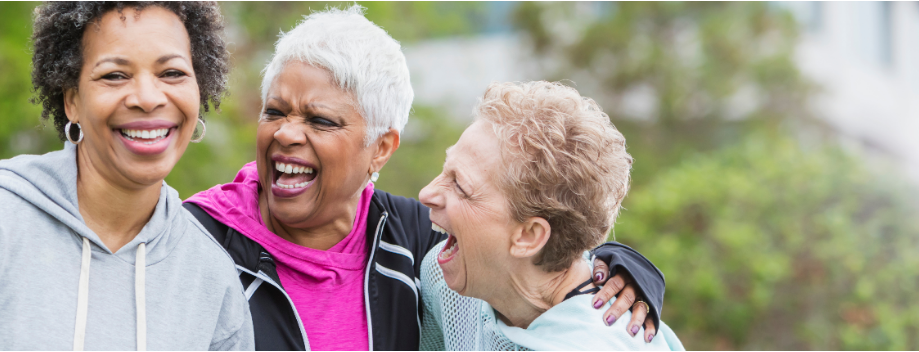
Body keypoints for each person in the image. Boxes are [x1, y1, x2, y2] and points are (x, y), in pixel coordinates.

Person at [183, 6, 665, 351]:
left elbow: (548, 257)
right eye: (275, 111)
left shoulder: (415, 240)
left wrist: (618, 268)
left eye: (321, 120)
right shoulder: (194, 242)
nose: (287, 133)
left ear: (381, 148)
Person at [0, 2, 252, 350]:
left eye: (171, 73)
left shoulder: (211, 280)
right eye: (115, 75)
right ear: (72, 101)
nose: (147, 98)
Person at [417, 81, 684, 350]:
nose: (426, 193)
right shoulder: (447, 284)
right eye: (445, 169)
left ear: (529, 236)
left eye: (460, 186)